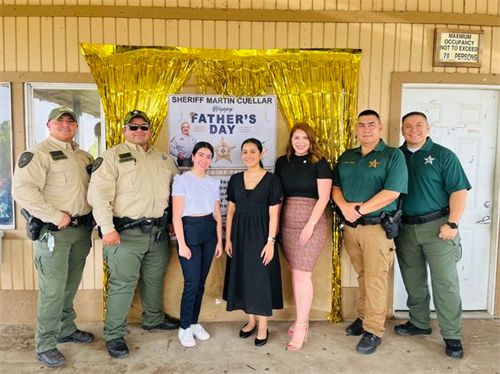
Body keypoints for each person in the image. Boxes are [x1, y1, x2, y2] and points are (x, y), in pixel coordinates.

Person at [87, 110, 179, 359]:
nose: (139, 131)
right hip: (125, 234)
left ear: (150, 130)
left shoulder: (163, 158)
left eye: (144, 127)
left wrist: (171, 221)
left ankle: (153, 318)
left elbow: (174, 194)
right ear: (124, 130)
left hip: (158, 233)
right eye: (133, 127)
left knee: (154, 279)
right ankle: (114, 335)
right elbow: (99, 197)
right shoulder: (111, 157)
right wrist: (107, 229)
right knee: (122, 285)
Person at [12, 107, 94, 368]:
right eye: (60, 121)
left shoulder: (84, 156)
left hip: (81, 231)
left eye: (71, 121)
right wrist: (53, 214)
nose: (66, 124)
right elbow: (23, 190)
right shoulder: (38, 154)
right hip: (54, 233)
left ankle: (65, 328)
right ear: (49, 125)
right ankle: (45, 344)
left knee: (70, 284)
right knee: (52, 290)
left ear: (76, 127)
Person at [394, 111, 471, 359]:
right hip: (405, 228)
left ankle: (452, 336)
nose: (413, 129)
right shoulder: (396, 156)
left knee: (445, 283)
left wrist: (453, 223)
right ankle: (419, 322)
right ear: (402, 130)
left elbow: (458, 191)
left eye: (419, 125)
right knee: (413, 281)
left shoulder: (443, 155)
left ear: (429, 127)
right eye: (408, 126)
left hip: (438, 227)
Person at [332, 109, 408, 355]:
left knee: (375, 279)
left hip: (377, 227)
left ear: (380, 128)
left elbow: (392, 192)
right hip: (352, 228)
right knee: (363, 275)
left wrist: (360, 209)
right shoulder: (347, 156)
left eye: (371, 124)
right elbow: (336, 187)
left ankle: (374, 330)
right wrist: (344, 207)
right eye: (362, 124)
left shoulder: (392, 155)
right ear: (356, 128)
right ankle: (364, 317)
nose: (366, 128)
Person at [275, 123, 332, 351]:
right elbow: (278, 195)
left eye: (304, 138)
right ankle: (303, 318)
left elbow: (324, 198)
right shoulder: (282, 162)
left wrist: (310, 224)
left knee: (301, 274)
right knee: (294, 272)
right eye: (296, 138)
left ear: (311, 141)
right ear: (291, 140)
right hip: (287, 220)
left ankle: (301, 326)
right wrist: (276, 225)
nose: (300, 142)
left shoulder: (321, 163)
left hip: (311, 221)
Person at [223, 138, 283, 347]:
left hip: (261, 235)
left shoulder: (272, 180)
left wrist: (270, 242)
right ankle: (250, 320)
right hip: (238, 236)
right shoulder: (235, 179)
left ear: (261, 153)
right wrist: (227, 239)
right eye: (245, 152)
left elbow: (274, 214)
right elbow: (230, 211)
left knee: (260, 277)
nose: (248, 155)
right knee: (243, 275)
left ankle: (263, 325)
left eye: (253, 151)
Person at [172, 141, 223, 347]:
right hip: (189, 229)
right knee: (191, 283)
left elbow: (218, 214)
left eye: (208, 156)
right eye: (201, 155)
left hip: (209, 231)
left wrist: (219, 240)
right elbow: (176, 216)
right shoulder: (182, 180)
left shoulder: (213, 182)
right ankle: (184, 328)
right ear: (193, 157)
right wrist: (182, 245)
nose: (204, 159)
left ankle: (194, 323)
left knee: (201, 283)